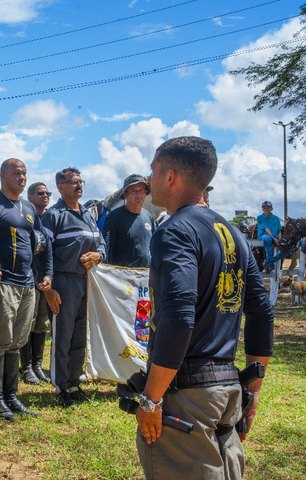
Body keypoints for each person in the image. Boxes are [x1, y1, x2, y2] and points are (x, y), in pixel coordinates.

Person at [136, 136, 273, 479]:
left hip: (188, 397)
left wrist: (151, 399)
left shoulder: (176, 231)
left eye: (153, 169)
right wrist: (251, 388)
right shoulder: (232, 232)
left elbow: (180, 315)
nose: (149, 178)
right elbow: (261, 310)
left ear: (171, 176)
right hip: (226, 390)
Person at [0, 158, 52, 420]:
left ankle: (11, 396)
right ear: (2, 175)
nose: (22, 178)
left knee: (17, 342)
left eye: (25, 173)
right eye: (17, 173)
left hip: (27, 283)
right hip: (3, 283)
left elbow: (43, 242)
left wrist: (47, 273)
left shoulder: (28, 207)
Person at [43, 167, 106, 408]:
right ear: (60, 187)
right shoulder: (54, 215)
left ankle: (74, 382)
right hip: (64, 281)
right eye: (72, 182)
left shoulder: (88, 215)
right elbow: (44, 253)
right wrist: (49, 287)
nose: (78, 186)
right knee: (63, 335)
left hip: (87, 282)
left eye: (80, 182)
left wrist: (98, 255)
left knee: (80, 334)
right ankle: (61, 386)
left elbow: (102, 244)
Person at [20, 181, 53, 384]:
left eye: (48, 193)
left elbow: (49, 249)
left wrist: (48, 274)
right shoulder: (25, 216)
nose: (45, 196)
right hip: (28, 277)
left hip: (44, 279)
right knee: (27, 324)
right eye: (40, 193)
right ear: (30, 197)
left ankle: (37, 365)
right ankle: (26, 367)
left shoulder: (50, 218)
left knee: (41, 324)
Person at [102, 174, 155, 267]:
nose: (138, 195)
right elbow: (107, 250)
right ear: (125, 194)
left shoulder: (148, 217)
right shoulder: (114, 217)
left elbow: (154, 246)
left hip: (145, 276)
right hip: (122, 277)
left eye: (142, 190)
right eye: (134, 191)